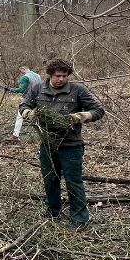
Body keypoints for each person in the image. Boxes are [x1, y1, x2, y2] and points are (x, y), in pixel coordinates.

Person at [20, 58, 104, 229]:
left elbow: (98, 110)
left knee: (73, 181)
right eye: (57, 76)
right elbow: (24, 106)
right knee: (50, 179)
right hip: (47, 144)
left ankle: (79, 219)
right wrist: (29, 114)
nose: (61, 79)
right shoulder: (38, 89)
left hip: (71, 145)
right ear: (50, 74)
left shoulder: (77, 90)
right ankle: (53, 212)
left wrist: (79, 117)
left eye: (64, 76)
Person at [4, 65, 43, 143]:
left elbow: (21, 89)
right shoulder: (37, 75)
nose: (20, 72)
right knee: (38, 115)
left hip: (30, 98)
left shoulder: (25, 77)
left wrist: (10, 89)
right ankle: (43, 134)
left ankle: (15, 136)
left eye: (20, 70)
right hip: (40, 97)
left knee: (20, 114)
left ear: (23, 69)